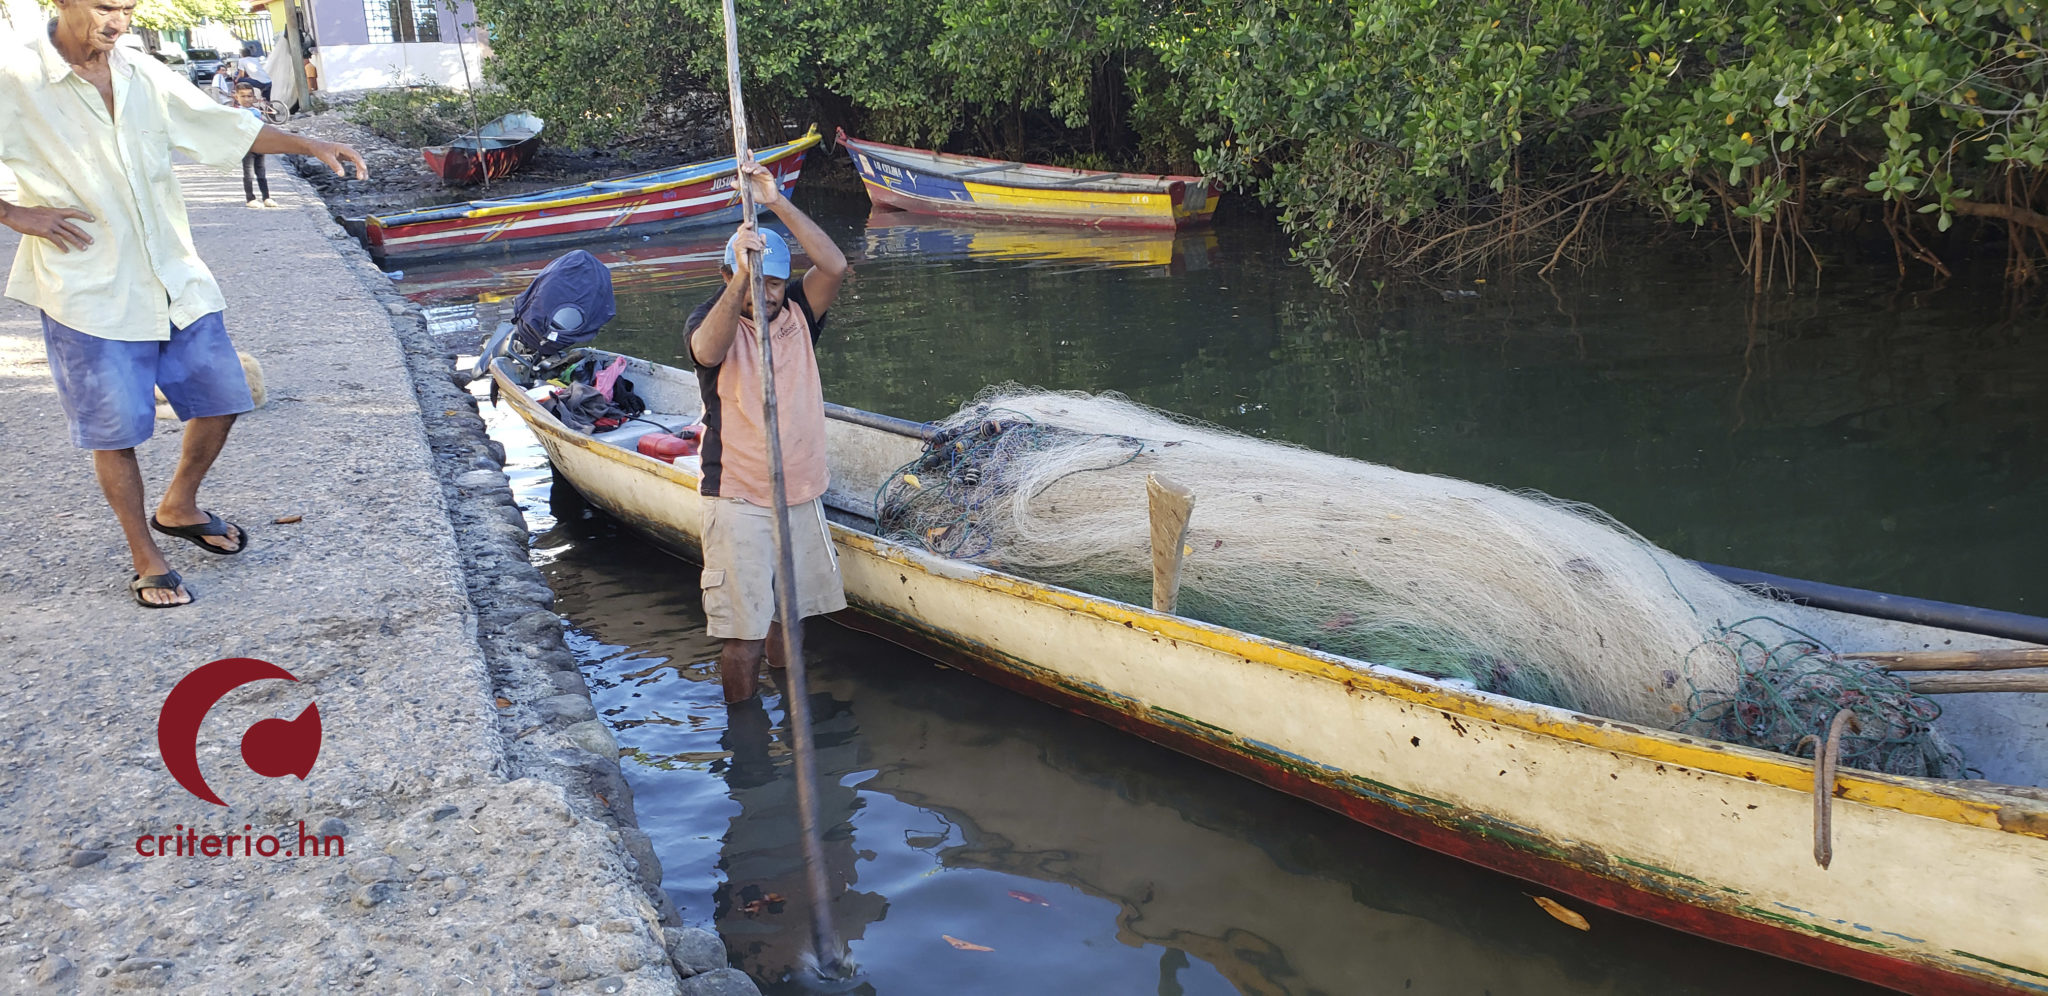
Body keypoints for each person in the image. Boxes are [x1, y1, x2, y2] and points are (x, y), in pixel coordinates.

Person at [0, 0, 369, 607]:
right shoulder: (17, 78)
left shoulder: (142, 72)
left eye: (127, 7)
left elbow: (221, 125)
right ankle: (146, 555)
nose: (117, 21)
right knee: (113, 432)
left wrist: (310, 142)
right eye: (103, 6)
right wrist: (17, 214)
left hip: (174, 276)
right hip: (89, 285)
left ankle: (179, 504)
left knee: (224, 395)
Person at [683, 157, 850, 702]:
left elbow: (835, 264)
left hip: (800, 495)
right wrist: (742, 282)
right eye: (761, 282)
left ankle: (791, 703)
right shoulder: (712, 319)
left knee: (790, 621)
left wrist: (775, 201)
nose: (770, 294)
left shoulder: (800, 312)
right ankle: (747, 735)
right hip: (738, 498)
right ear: (728, 277)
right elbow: (707, 350)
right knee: (744, 636)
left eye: (774, 283)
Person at [233, 82, 275, 207]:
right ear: (237, 97)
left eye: (249, 96)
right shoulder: (236, 112)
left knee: (261, 173)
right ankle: (250, 198)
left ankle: (266, 197)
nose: (247, 99)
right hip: (246, 147)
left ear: (254, 97)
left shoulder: (256, 112)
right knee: (249, 173)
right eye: (243, 96)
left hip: (259, 145)